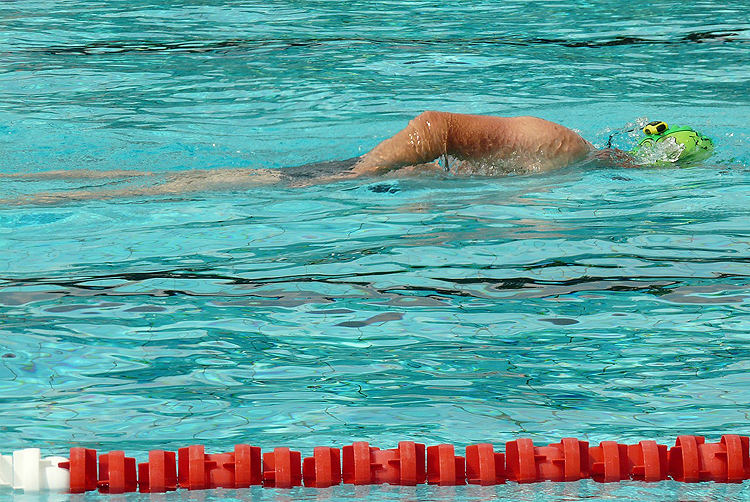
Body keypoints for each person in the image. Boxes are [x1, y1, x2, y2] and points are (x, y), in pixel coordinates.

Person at [3, 112, 714, 202]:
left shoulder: (573, 168)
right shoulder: (563, 146)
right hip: (369, 167)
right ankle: (37, 196)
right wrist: (362, 176)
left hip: (376, 171)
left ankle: (38, 186)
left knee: (201, 183)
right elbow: (436, 124)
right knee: (194, 186)